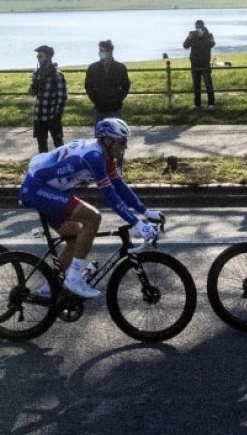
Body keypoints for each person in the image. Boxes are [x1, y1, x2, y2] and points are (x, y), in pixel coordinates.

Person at [18, 118, 160, 299]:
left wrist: (146, 212)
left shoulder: (105, 156)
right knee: (93, 217)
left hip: (49, 188)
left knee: (75, 237)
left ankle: (49, 288)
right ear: (107, 140)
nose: (124, 147)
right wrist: (136, 223)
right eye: (121, 142)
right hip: (36, 188)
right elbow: (111, 196)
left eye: (126, 142)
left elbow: (120, 186)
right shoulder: (93, 157)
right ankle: (74, 278)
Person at [30, 44, 67, 152]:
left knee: (58, 144)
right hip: (39, 114)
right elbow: (32, 93)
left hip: (52, 114)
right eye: (38, 57)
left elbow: (62, 96)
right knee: (41, 146)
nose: (38, 59)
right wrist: (34, 86)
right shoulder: (37, 74)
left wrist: (57, 114)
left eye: (41, 56)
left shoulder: (57, 75)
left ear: (48, 57)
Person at [83, 40, 131, 121]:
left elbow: (126, 86)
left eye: (103, 51)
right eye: (100, 50)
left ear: (110, 51)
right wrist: (96, 100)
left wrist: (118, 100)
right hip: (99, 108)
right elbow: (88, 86)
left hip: (116, 108)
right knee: (100, 132)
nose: (100, 53)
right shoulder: (92, 68)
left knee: (116, 132)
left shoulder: (120, 68)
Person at [183, 20, 217, 109]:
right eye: (196, 27)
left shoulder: (209, 35)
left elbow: (212, 44)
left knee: (208, 85)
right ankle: (197, 104)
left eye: (199, 27)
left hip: (205, 63)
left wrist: (203, 36)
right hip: (195, 64)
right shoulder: (192, 35)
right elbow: (185, 46)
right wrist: (189, 37)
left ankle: (211, 104)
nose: (198, 28)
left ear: (203, 26)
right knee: (196, 85)